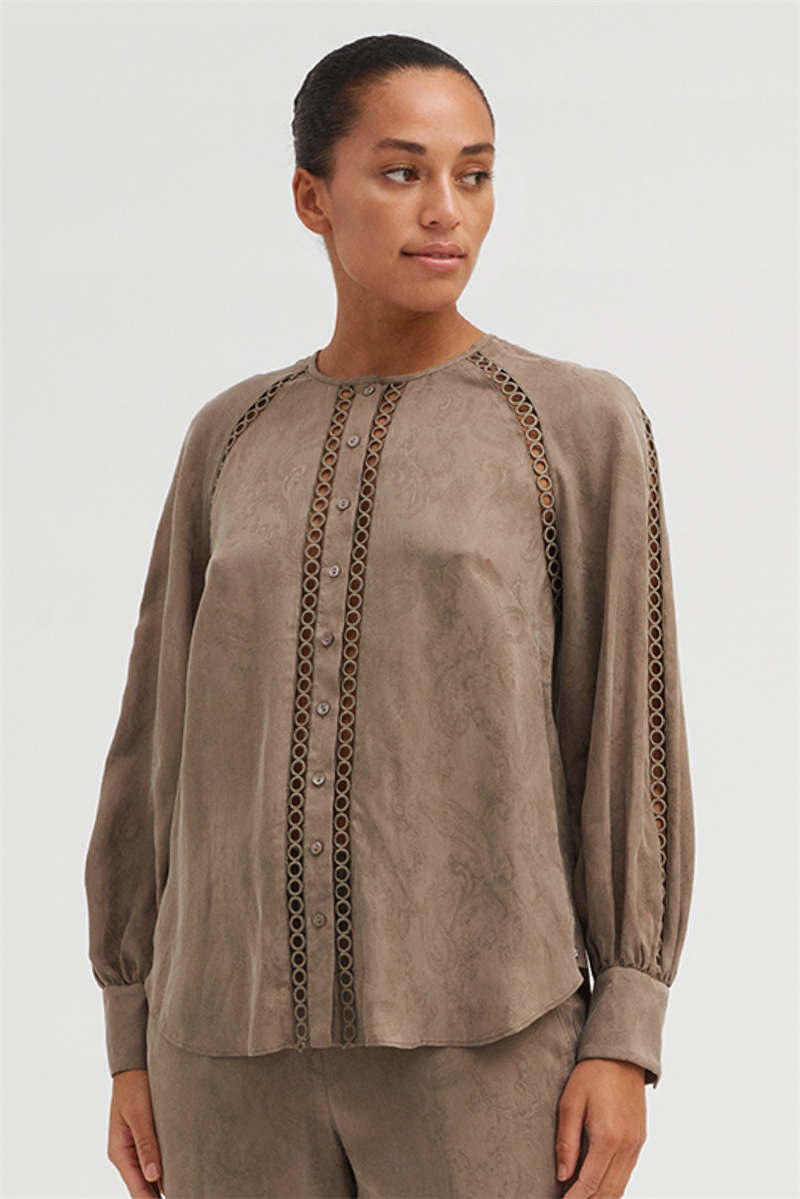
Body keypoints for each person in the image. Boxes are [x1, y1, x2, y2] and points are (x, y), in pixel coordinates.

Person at [85, 33, 694, 1199]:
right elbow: (153, 742)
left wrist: (623, 1026)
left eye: (474, 173)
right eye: (402, 170)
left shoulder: (572, 423)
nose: (444, 210)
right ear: (311, 197)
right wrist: (130, 1028)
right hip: (221, 1047)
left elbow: (627, 736)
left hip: (484, 1039)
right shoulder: (229, 435)